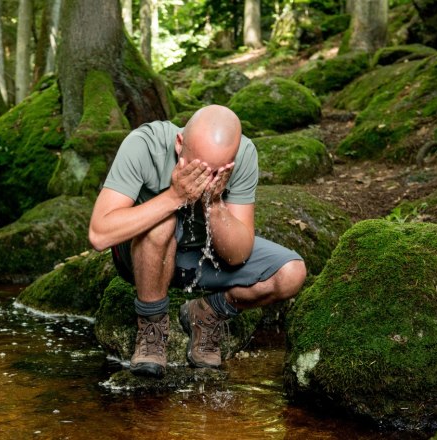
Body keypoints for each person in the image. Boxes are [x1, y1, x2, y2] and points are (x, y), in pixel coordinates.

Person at [88, 104, 307, 377]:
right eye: (199, 169)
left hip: (199, 256)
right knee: (162, 223)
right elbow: (99, 234)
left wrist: (214, 204)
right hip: (143, 256)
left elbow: (238, 254)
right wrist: (174, 197)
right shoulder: (144, 145)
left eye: (217, 173)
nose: (205, 180)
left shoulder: (244, 154)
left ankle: (206, 313)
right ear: (180, 144)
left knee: (291, 273)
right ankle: (152, 328)